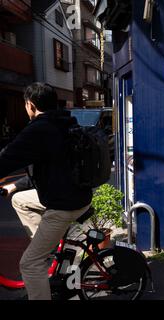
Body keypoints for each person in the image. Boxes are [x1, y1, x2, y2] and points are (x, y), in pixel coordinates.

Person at [0, 83, 92, 300]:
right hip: (75, 194)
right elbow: (46, 169)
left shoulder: (39, 129)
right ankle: (46, 249)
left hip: (64, 204)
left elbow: (5, 159)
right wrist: (14, 186)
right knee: (20, 199)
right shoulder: (65, 122)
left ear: (30, 105)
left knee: (30, 264)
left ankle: (41, 258)